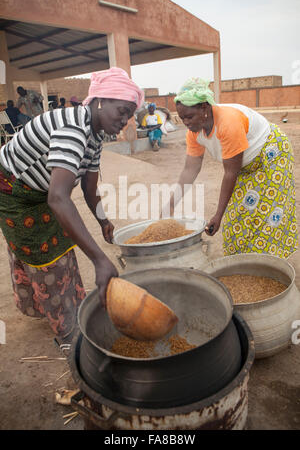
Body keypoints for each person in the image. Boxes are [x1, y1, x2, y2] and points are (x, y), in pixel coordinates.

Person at [0, 67, 144, 352]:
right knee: (49, 255)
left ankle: (65, 313)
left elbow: (89, 187)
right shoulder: (73, 129)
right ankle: (70, 336)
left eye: (130, 115)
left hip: (42, 192)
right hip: (14, 192)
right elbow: (59, 199)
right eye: (122, 111)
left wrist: (104, 221)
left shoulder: (95, 132)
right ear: (100, 100)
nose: (125, 120)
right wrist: (101, 260)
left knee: (64, 242)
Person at [165, 77, 298, 259]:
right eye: (182, 119)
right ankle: (243, 261)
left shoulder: (227, 122)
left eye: (189, 116)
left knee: (267, 213)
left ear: (204, 108)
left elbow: (230, 173)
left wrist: (218, 215)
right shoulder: (194, 133)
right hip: (245, 164)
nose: (186, 122)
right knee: (238, 214)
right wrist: (171, 205)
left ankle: (268, 264)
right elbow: (190, 170)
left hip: (271, 155)